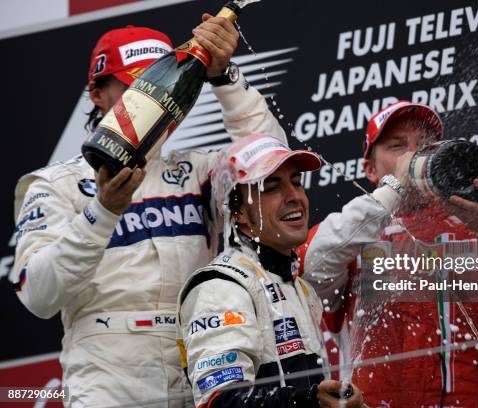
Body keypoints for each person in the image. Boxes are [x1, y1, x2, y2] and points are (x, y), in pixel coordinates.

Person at [10, 15, 286, 407]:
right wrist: (102, 213)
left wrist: (224, 78)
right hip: (109, 375)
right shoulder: (56, 184)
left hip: (205, 356)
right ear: (97, 93)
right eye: (137, 85)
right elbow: (39, 294)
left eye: (161, 84)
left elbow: (271, 164)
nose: (155, 98)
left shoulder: (198, 170)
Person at [298, 101, 478, 407]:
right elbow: (312, 267)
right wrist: (393, 188)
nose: (413, 155)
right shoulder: (355, 235)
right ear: (369, 168)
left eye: (424, 146)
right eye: (397, 146)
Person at [177, 134, 364, 407]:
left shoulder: (299, 287)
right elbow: (219, 402)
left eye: (297, 183)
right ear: (237, 211)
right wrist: (310, 402)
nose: (294, 197)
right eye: (272, 187)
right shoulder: (221, 286)